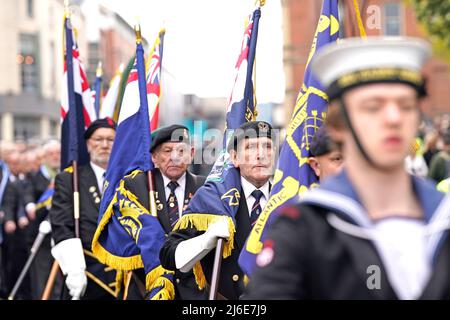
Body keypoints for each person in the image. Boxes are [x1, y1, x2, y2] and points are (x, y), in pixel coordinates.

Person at [245, 37, 450, 300]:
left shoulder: (442, 215)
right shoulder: (303, 228)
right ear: (338, 126)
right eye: (373, 107)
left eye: (406, 105)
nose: (394, 118)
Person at [160, 121, 276, 300]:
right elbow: (168, 255)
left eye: (267, 147)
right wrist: (205, 242)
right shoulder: (212, 199)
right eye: (251, 147)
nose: (261, 155)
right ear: (235, 158)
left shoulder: (291, 198)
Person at [121, 124, 206, 300]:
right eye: (167, 151)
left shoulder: (205, 188)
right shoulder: (137, 186)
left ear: (191, 154)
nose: (175, 157)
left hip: (194, 289)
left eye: (181, 151)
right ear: (154, 157)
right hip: (148, 285)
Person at [50, 118, 118, 300]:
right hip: (88, 272)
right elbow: (61, 225)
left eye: (111, 140)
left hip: (125, 274)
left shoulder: (131, 179)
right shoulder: (70, 180)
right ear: (88, 144)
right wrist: (74, 268)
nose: (104, 145)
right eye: (98, 139)